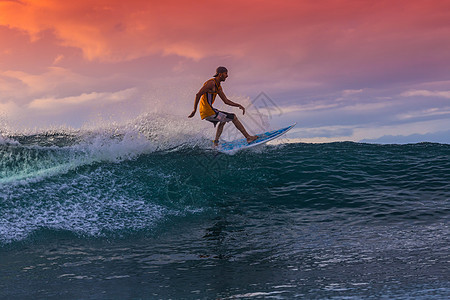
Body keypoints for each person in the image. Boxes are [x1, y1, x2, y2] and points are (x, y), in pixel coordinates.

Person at [188, 66, 258, 146]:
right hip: (208, 111)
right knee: (233, 117)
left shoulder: (218, 87)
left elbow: (226, 101)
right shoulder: (211, 83)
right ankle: (248, 137)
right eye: (226, 73)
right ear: (220, 74)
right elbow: (198, 94)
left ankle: (216, 143)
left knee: (223, 119)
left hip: (209, 111)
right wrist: (194, 110)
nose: (227, 75)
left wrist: (238, 105)